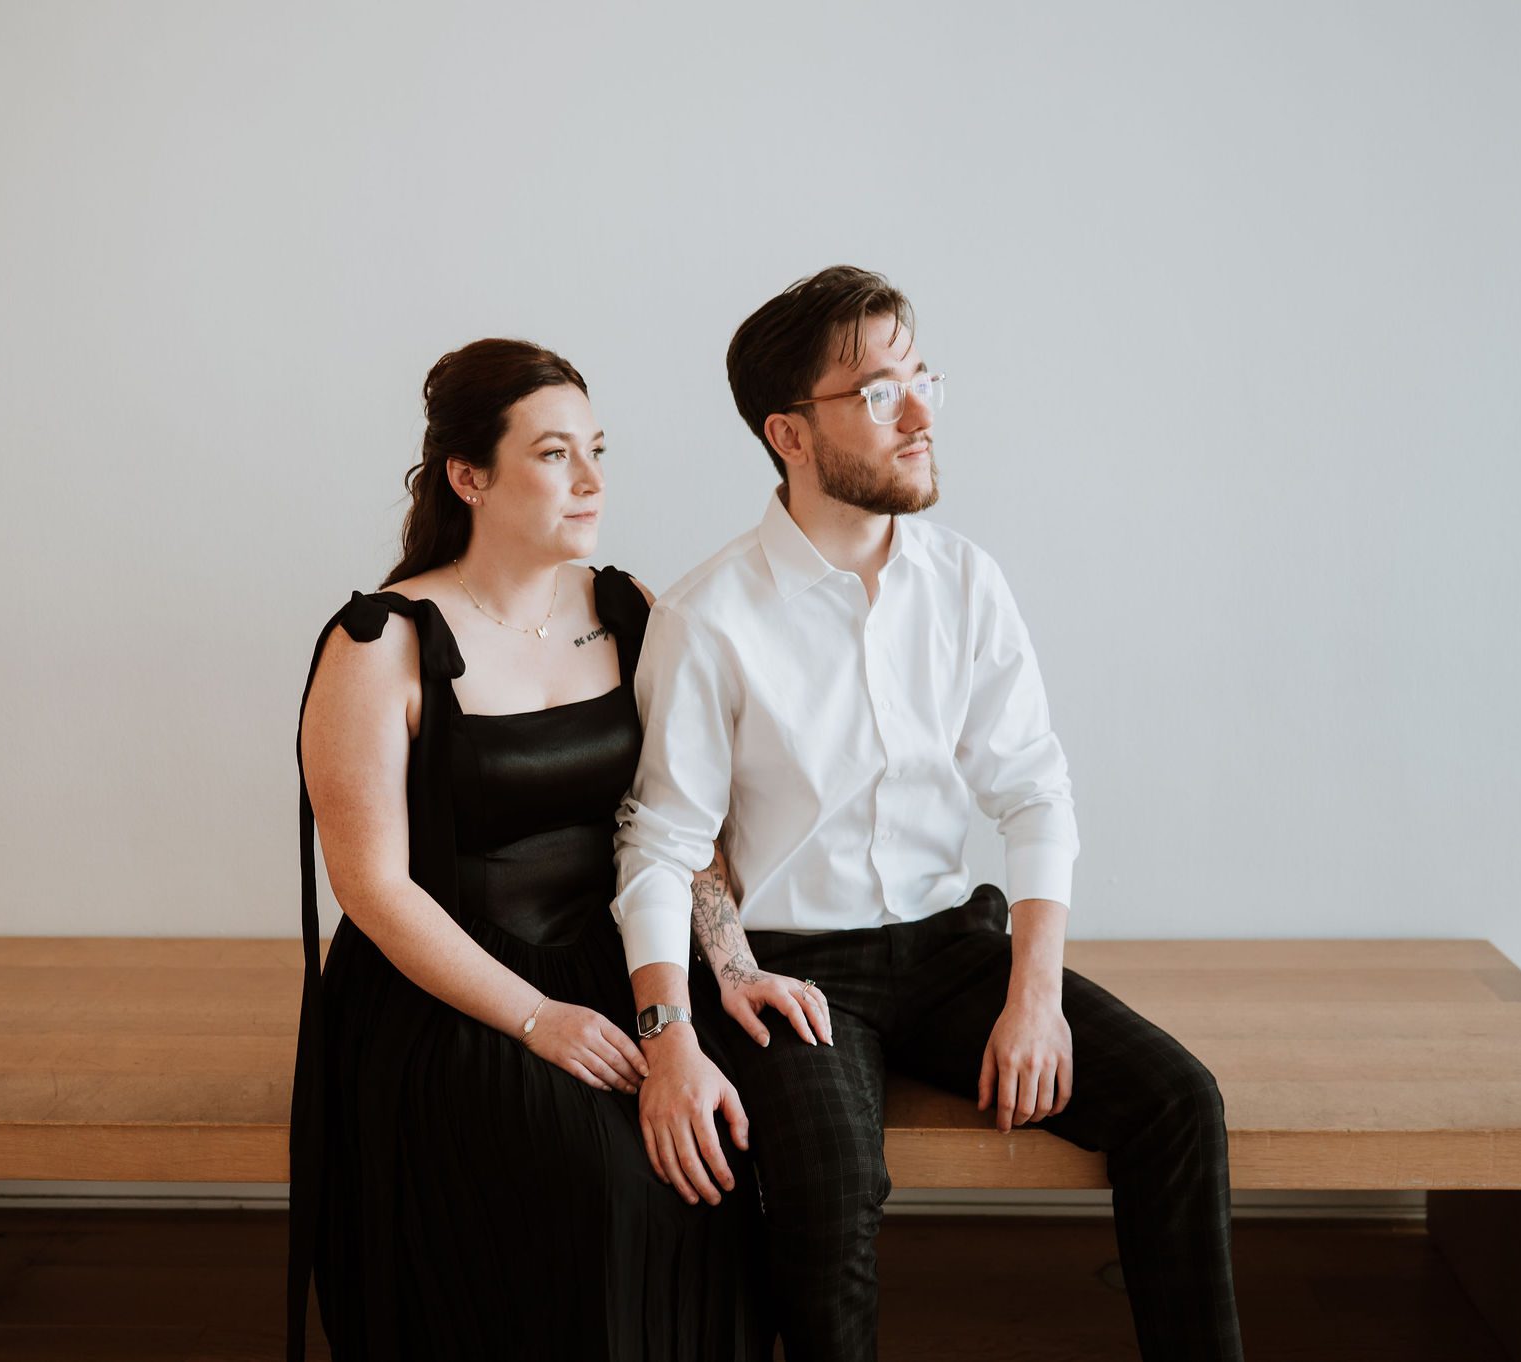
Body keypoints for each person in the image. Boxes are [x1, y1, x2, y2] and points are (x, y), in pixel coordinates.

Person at [615, 268, 1245, 1361]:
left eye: (921, 381)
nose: (917, 417)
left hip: (951, 944)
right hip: (795, 970)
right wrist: (668, 1033)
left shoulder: (964, 583)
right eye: (874, 392)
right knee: (831, 1192)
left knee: (1177, 1103)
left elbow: (1032, 789)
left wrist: (1034, 996)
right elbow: (661, 841)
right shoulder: (704, 616)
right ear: (790, 435)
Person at [285, 339, 768, 1361]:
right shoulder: (381, 643)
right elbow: (368, 885)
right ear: (469, 477)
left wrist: (728, 969)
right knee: (595, 1174)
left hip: (620, 957)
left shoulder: (629, 609)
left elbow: (687, 828)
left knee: (732, 1141)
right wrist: (537, 1018)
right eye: (554, 455)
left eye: (595, 449)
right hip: (450, 986)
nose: (591, 480)